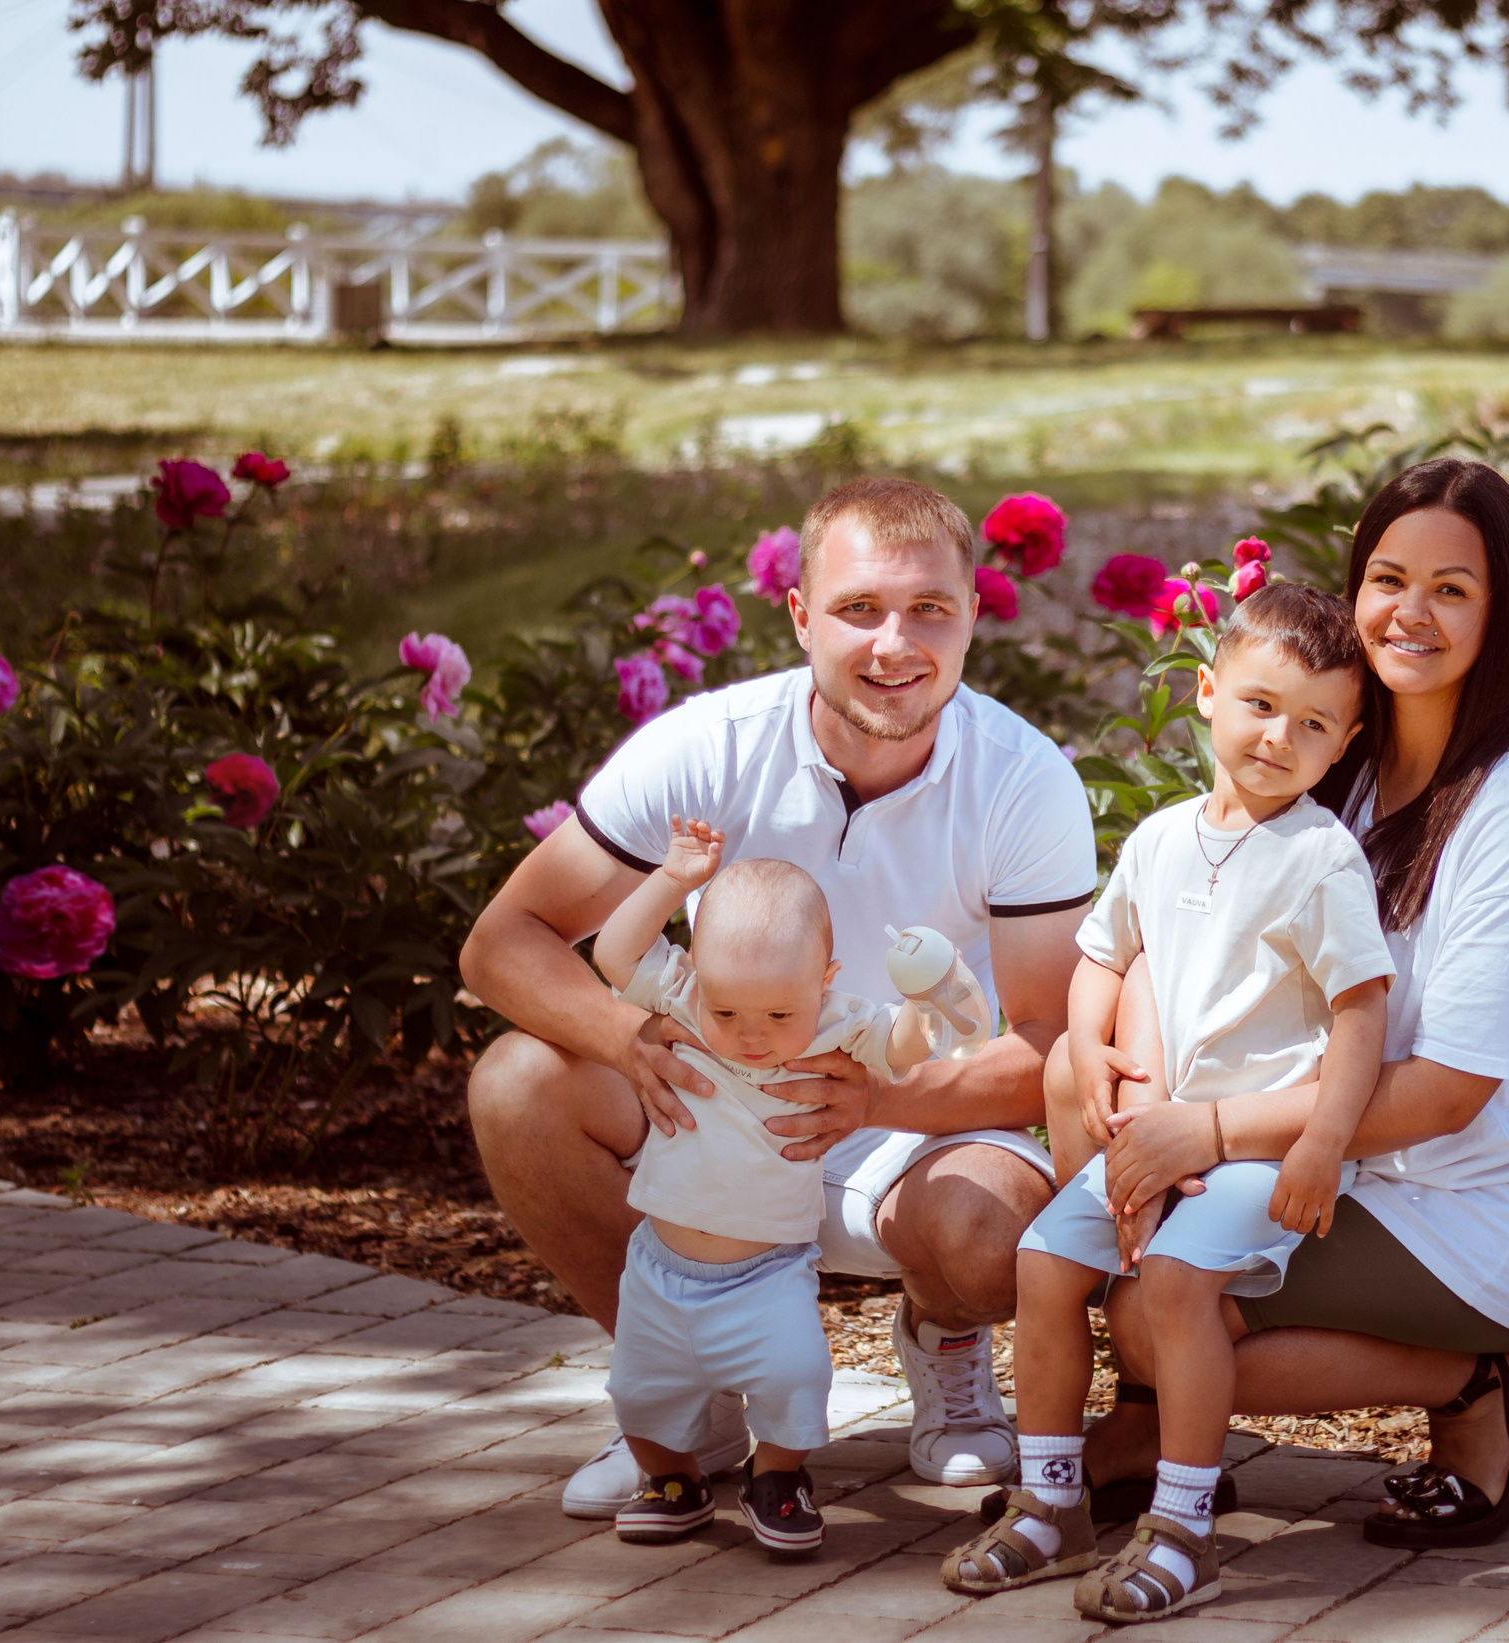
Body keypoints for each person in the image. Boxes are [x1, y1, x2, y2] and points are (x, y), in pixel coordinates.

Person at [460, 477, 1096, 1518]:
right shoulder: (707, 747)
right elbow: (501, 947)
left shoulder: (1023, 780)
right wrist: (627, 1037)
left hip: (910, 1115)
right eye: (858, 609)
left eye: (929, 609)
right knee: (519, 1083)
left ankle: (943, 1348)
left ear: (973, 615)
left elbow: (1045, 1041)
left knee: (995, 1234)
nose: (895, 643)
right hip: (710, 1103)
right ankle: (681, 1401)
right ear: (801, 616)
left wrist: (872, 1101)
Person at [1065, 457, 1509, 1550]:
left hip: (1466, 1206)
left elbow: (1449, 1093)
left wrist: (1204, 1131)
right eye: (1388, 579)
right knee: (1130, 1283)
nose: (1409, 612)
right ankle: (1157, 1438)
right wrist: (1152, 1101)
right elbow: (1177, 937)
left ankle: (1480, 1384)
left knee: (1161, 1322)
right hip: (1316, 1161)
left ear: (1503, 617)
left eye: (1451, 589)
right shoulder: (1333, 758)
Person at [939, 582, 1394, 1622]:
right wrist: (1091, 1054)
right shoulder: (1159, 838)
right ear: (1206, 692)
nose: (1281, 737)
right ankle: (1051, 1502)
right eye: (1260, 704)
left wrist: (1326, 1140)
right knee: (1045, 1262)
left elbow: (1361, 1014)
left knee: (1180, 1281)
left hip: (1262, 1149)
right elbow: (1103, 960)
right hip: (1162, 1127)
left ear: (1344, 743)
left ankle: (1186, 1523)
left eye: (1314, 724)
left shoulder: (1319, 858)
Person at [589, 821, 981, 1549]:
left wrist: (928, 1000)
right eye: (728, 1010)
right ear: (696, 973)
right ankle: (671, 1477)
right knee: (639, 1394)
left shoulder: (837, 1024)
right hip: (659, 1265)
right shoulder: (680, 996)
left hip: (766, 1270)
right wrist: (673, 878)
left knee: (796, 1376)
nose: (751, 1034)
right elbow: (614, 952)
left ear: (825, 980)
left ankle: (777, 1473)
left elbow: (898, 1051)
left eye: (777, 1013)